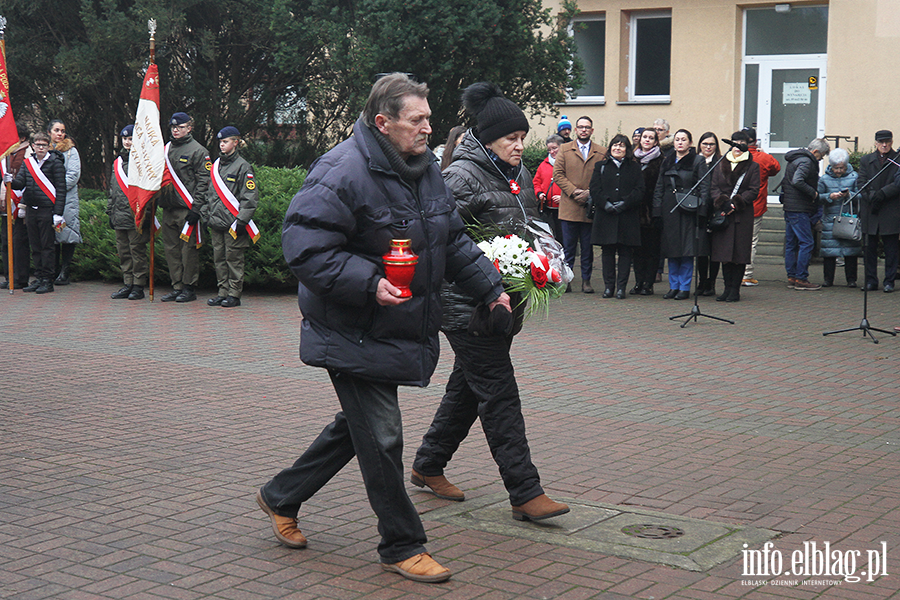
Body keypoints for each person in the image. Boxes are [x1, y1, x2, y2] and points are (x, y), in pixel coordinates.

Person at [259, 73, 507, 584]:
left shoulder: (425, 170)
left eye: (428, 119)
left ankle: (281, 495)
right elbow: (304, 248)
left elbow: (452, 238)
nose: (428, 128)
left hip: (394, 327)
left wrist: (490, 287)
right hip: (350, 326)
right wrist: (369, 282)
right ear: (383, 122)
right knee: (384, 434)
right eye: (418, 120)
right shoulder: (341, 169)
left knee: (359, 427)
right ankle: (401, 543)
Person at [411, 80, 569, 524]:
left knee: (467, 390)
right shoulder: (460, 175)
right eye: (511, 140)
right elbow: (440, 240)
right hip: (467, 307)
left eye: (522, 138)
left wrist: (544, 262)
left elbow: (530, 226)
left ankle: (428, 464)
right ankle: (525, 492)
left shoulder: (516, 173)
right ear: (486, 138)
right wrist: (485, 274)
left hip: (503, 303)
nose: (520, 146)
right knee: (500, 394)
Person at [158, 112, 211, 303]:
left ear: (189, 128)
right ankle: (177, 285)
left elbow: (204, 182)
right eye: (173, 127)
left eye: (179, 127)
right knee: (171, 250)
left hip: (186, 209)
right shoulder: (165, 149)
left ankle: (189, 287)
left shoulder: (199, 151)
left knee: (188, 251)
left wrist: (197, 209)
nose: (175, 130)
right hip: (168, 208)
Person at [653, 129, 710, 299]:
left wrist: (702, 209)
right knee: (672, 250)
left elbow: (705, 186)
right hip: (669, 209)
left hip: (689, 209)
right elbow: (659, 186)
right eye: (677, 139)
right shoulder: (667, 160)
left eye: (683, 140)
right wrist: (657, 208)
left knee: (686, 250)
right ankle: (673, 286)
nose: (680, 142)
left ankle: (684, 287)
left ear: (690, 143)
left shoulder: (698, 161)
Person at [205, 126, 258, 308]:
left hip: (233, 224)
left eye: (225, 142)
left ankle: (234, 294)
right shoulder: (216, 166)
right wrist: (207, 214)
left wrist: (242, 220)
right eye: (220, 142)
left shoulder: (243, 166)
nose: (222, 145)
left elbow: (249, 196)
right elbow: (209, 194)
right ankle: (222, 292)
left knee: (233, 259)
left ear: (235, 142)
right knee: (219, 259)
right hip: (216, 222)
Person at [554, 116, 605, 293]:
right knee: (568, 248)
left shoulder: (601, 152)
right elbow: (558, 174)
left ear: (592, 130)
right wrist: (574, 191)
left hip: (590, 208)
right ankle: (567, 280)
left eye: (587, 127)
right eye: (581, 127)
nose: (584, 130)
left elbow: (603, 177)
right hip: (569, 206)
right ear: (576, 130)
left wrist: (590, 193)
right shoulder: (565, 149)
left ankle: (586, 281)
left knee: (587, 248)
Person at [590, 134, 644, 299]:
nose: (617, 149)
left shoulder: (634, 168)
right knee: (607, 253)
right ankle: (609, 287)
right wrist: (605, 203)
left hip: (627, 217)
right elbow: (594, 189)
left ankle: (621, 288)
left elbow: (640, 190)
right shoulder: (600, 166)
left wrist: (625, 203)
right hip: (606, 216)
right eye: (615, 145)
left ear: (627, 149)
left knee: (625, 254)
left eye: (621, 146)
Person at [11, 131, 66, 294]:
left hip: (47, 209)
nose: (40, 148)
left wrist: (58, 213)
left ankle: (48, 280)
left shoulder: (55, 163)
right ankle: (39, 277)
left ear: (48, 146)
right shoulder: (28, 163)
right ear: (33, 146)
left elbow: (61, 189)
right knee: (35, 245)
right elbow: (20, 183)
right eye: (37, 145)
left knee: (47, 246)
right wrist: (10, 181)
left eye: (44, 145)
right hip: (31, 209)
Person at [709, 131, 760, 302]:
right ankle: (726, 289)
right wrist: (722, 202)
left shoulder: (752, 166)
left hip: (741, 216)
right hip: (724, 215)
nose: (737, 146)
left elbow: (753, 190)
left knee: (738, 254)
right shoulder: (721, 163)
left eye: (741, 143)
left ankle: (735, 290)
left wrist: (735, 203)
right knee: (724, 254)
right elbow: (714, 186)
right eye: (735, 142)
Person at [106, 125, 150, 300]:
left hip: (135, 215)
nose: (127, 142)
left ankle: (138, 285)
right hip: (119, 215)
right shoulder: (117, 163)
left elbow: (147, 191)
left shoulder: (143, 162)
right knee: (123, 252)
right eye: (125, 139)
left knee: (136, 251)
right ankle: (128, 283)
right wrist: (110, 211)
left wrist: (145, 214)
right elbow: (112, 190)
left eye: (131, 139)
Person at [783, 138, 830, 290]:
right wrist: (814, 194)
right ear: (815, 152)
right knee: (807, 242)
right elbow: (798, 181)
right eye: (821, 156)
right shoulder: (806, 162)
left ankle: (792, 276)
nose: (821, 159)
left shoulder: (795, 159)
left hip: (790, 206)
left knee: (791, 243)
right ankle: (801, 278)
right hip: (799, 208)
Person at [858, 130, 900, 292]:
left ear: (892, 142)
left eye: (887, 142)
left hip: (890, 209)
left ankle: (889, 281)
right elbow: (861, 181)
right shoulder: (866, 160)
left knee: (891, 249)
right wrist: (871, 196)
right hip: (871, 210)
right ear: (875, 143)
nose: (884, 145)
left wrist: (882, 194)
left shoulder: (897, 159)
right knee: (869, 248)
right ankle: (870, 280)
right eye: (881, 142)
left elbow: (898, 184)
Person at [742, 127, 781, 286]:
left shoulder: (735, 156)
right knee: (751, 241)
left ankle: (734, 271)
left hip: (736, 205)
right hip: (756, 206)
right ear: (755, 140)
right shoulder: (763, 158)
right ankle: (746, 274)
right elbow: (775, 169)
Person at [817, 148, 861, 287]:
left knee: (850, 251)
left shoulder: (854, 177)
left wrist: (850, 195)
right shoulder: (824, 179)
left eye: (841, 168)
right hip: (830, 218)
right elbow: (817, 197)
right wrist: (829, 197)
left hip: (849, 218)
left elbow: (861, 196)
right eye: (835, 168)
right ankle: (828, 279)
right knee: (829, 252)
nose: (838, 171)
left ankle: (851, 279)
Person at [48, 119, 81, 286]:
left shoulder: (71, 151)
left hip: (66, 199)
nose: (60, 133)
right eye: (56, 130)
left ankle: (65, 270)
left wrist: (55, 189)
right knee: (51, 236)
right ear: (49, 133)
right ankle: (52, 270)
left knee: (66, 234)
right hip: (48, 200)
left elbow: (73, 175)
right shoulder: (44, 151)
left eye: (62, 130)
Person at [631, 127, 663, 296]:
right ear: (640, 139)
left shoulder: (661, 161)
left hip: (652, 212)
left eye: (651, 138)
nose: (647, 140)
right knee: (637, 251)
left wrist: (657, 211)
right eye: (645, 137)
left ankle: (648, 284)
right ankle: (638, 282)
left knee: (652, 250)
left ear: (656, 142)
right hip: (634, 212)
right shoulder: (632, 159)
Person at [1, 122, 31, 290]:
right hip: (6, 203)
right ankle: (8, 276)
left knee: (19, 242)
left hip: (20, 204)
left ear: (22, 138)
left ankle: (20, 278)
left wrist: (23, 204)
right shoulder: (5, 155)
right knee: (6, 241)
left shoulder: (28, 153)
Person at [695, 132, 722, 296]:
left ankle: (711, 282)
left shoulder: (719, 163)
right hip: (697, 210)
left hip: (713, 210)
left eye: (711, 144)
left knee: (713, 250)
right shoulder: (695, 161)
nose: (708, 147)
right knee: (700, 250)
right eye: (705, 144)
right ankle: (701, 280)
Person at [533, 133, 564, 241]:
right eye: (549, 149)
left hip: (564, 209)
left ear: (562, 147)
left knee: (563, 236)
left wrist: (564, 198)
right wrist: (539, 193)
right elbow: (536, 182)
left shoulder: (568, 164)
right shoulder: (543, 165)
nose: (552, 152)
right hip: (547, 208)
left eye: (554, 148)